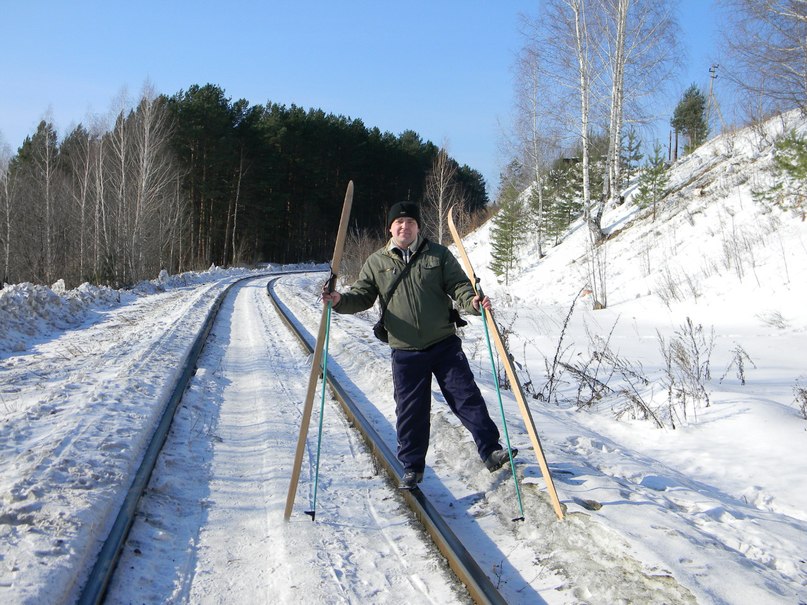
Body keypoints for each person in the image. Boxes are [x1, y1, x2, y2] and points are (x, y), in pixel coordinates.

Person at [322, 201, 517, 490]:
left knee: (467, 398)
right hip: (405, 350)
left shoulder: (438, 255)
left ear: (417, 227)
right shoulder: (377, 262)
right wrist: (339, 301)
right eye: (399, 223)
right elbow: (362, 296)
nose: (405, 227)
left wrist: (474, 303)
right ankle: (412, 467)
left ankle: (490, 450)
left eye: (410, 222)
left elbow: (460, 287)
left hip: (444, 344)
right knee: (411, 411)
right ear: (390, 228)